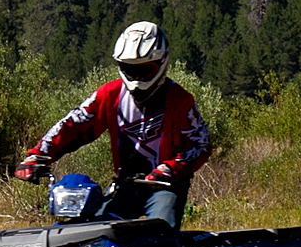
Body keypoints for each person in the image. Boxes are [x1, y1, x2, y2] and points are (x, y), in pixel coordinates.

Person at [13, 21, 210, 229]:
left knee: (161, 234)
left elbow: (200, 145)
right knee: (98, 232)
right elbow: (74, 125)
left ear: (161, 63)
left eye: (144, 70)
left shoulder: (180, 100)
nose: (136, 77)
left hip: (165, 186)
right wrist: (38, 156)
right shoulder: (109, 94)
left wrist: (170, 168)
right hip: (125, 185)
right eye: (129, 69)